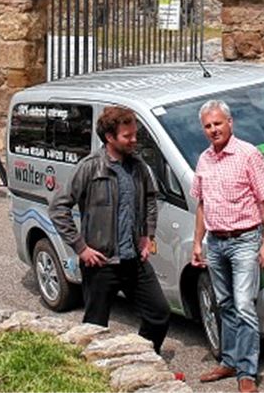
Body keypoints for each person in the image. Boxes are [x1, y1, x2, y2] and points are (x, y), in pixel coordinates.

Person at [49, 105, 170, 353]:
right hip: (101, 263)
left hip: (133, 259)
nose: (134, 140)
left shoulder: (138, 166)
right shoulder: (90, 167)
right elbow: (58, 209)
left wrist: (147, 235)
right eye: (127, 136)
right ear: (109, 137)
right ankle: (94, 371)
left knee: (159, 315)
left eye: (135, 134)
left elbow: (150, 199)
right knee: (94, 327)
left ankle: (141, 358)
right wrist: (81, 248)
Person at [191, 99, 264, 393]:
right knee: (224, 304)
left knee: (244, 306)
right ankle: (229, 360)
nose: (213, 129)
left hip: (244, 240)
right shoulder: (203, 159)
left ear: (230, 123)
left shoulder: (248, 154)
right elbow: (202, 203)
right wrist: (197, 242)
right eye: (208, 126)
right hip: (216, 242)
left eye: (218, 123)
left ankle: (247, 372)